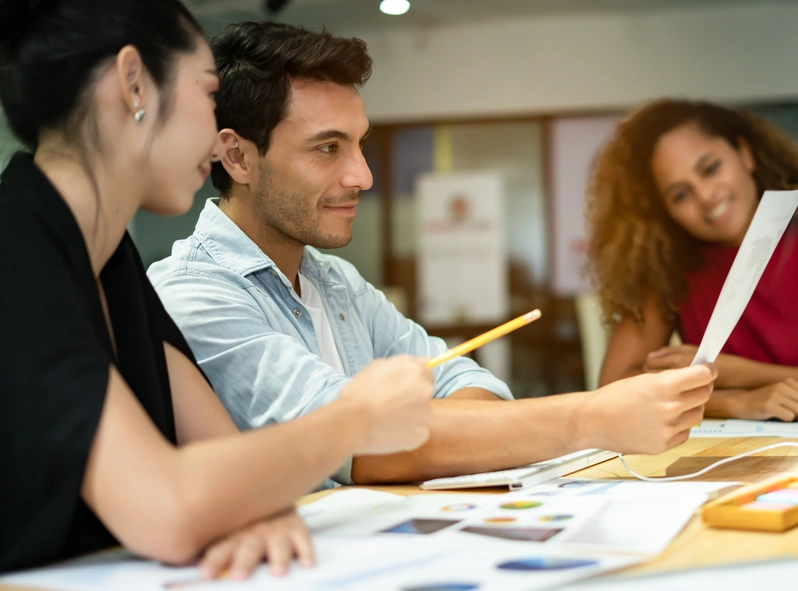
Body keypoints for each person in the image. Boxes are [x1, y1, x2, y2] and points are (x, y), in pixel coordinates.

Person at [148, 22, 716, 486]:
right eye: (327, 148)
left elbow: (466, 382)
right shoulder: (191, 295)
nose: (363, 175)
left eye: (360, 144)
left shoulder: (335, 282)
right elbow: (348, 445)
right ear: (239, 159)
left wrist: (432, 432)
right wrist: (592, 419)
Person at [0, 0, 436, 577]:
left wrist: (250, 502)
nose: (216, 142)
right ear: (133, 84)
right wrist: (356, 419)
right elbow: (169, 506)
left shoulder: (110, 258)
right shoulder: (18, 248)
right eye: (208, 96)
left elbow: (220, 455)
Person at [588, 99, 798, 422]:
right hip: (730, 459)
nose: (705, 197)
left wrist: (727, 373)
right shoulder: (672, 271)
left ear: (744, 153)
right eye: (680, 194)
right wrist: (736, 403)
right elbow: (612, 386)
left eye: (710, 169)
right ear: (664, 212)